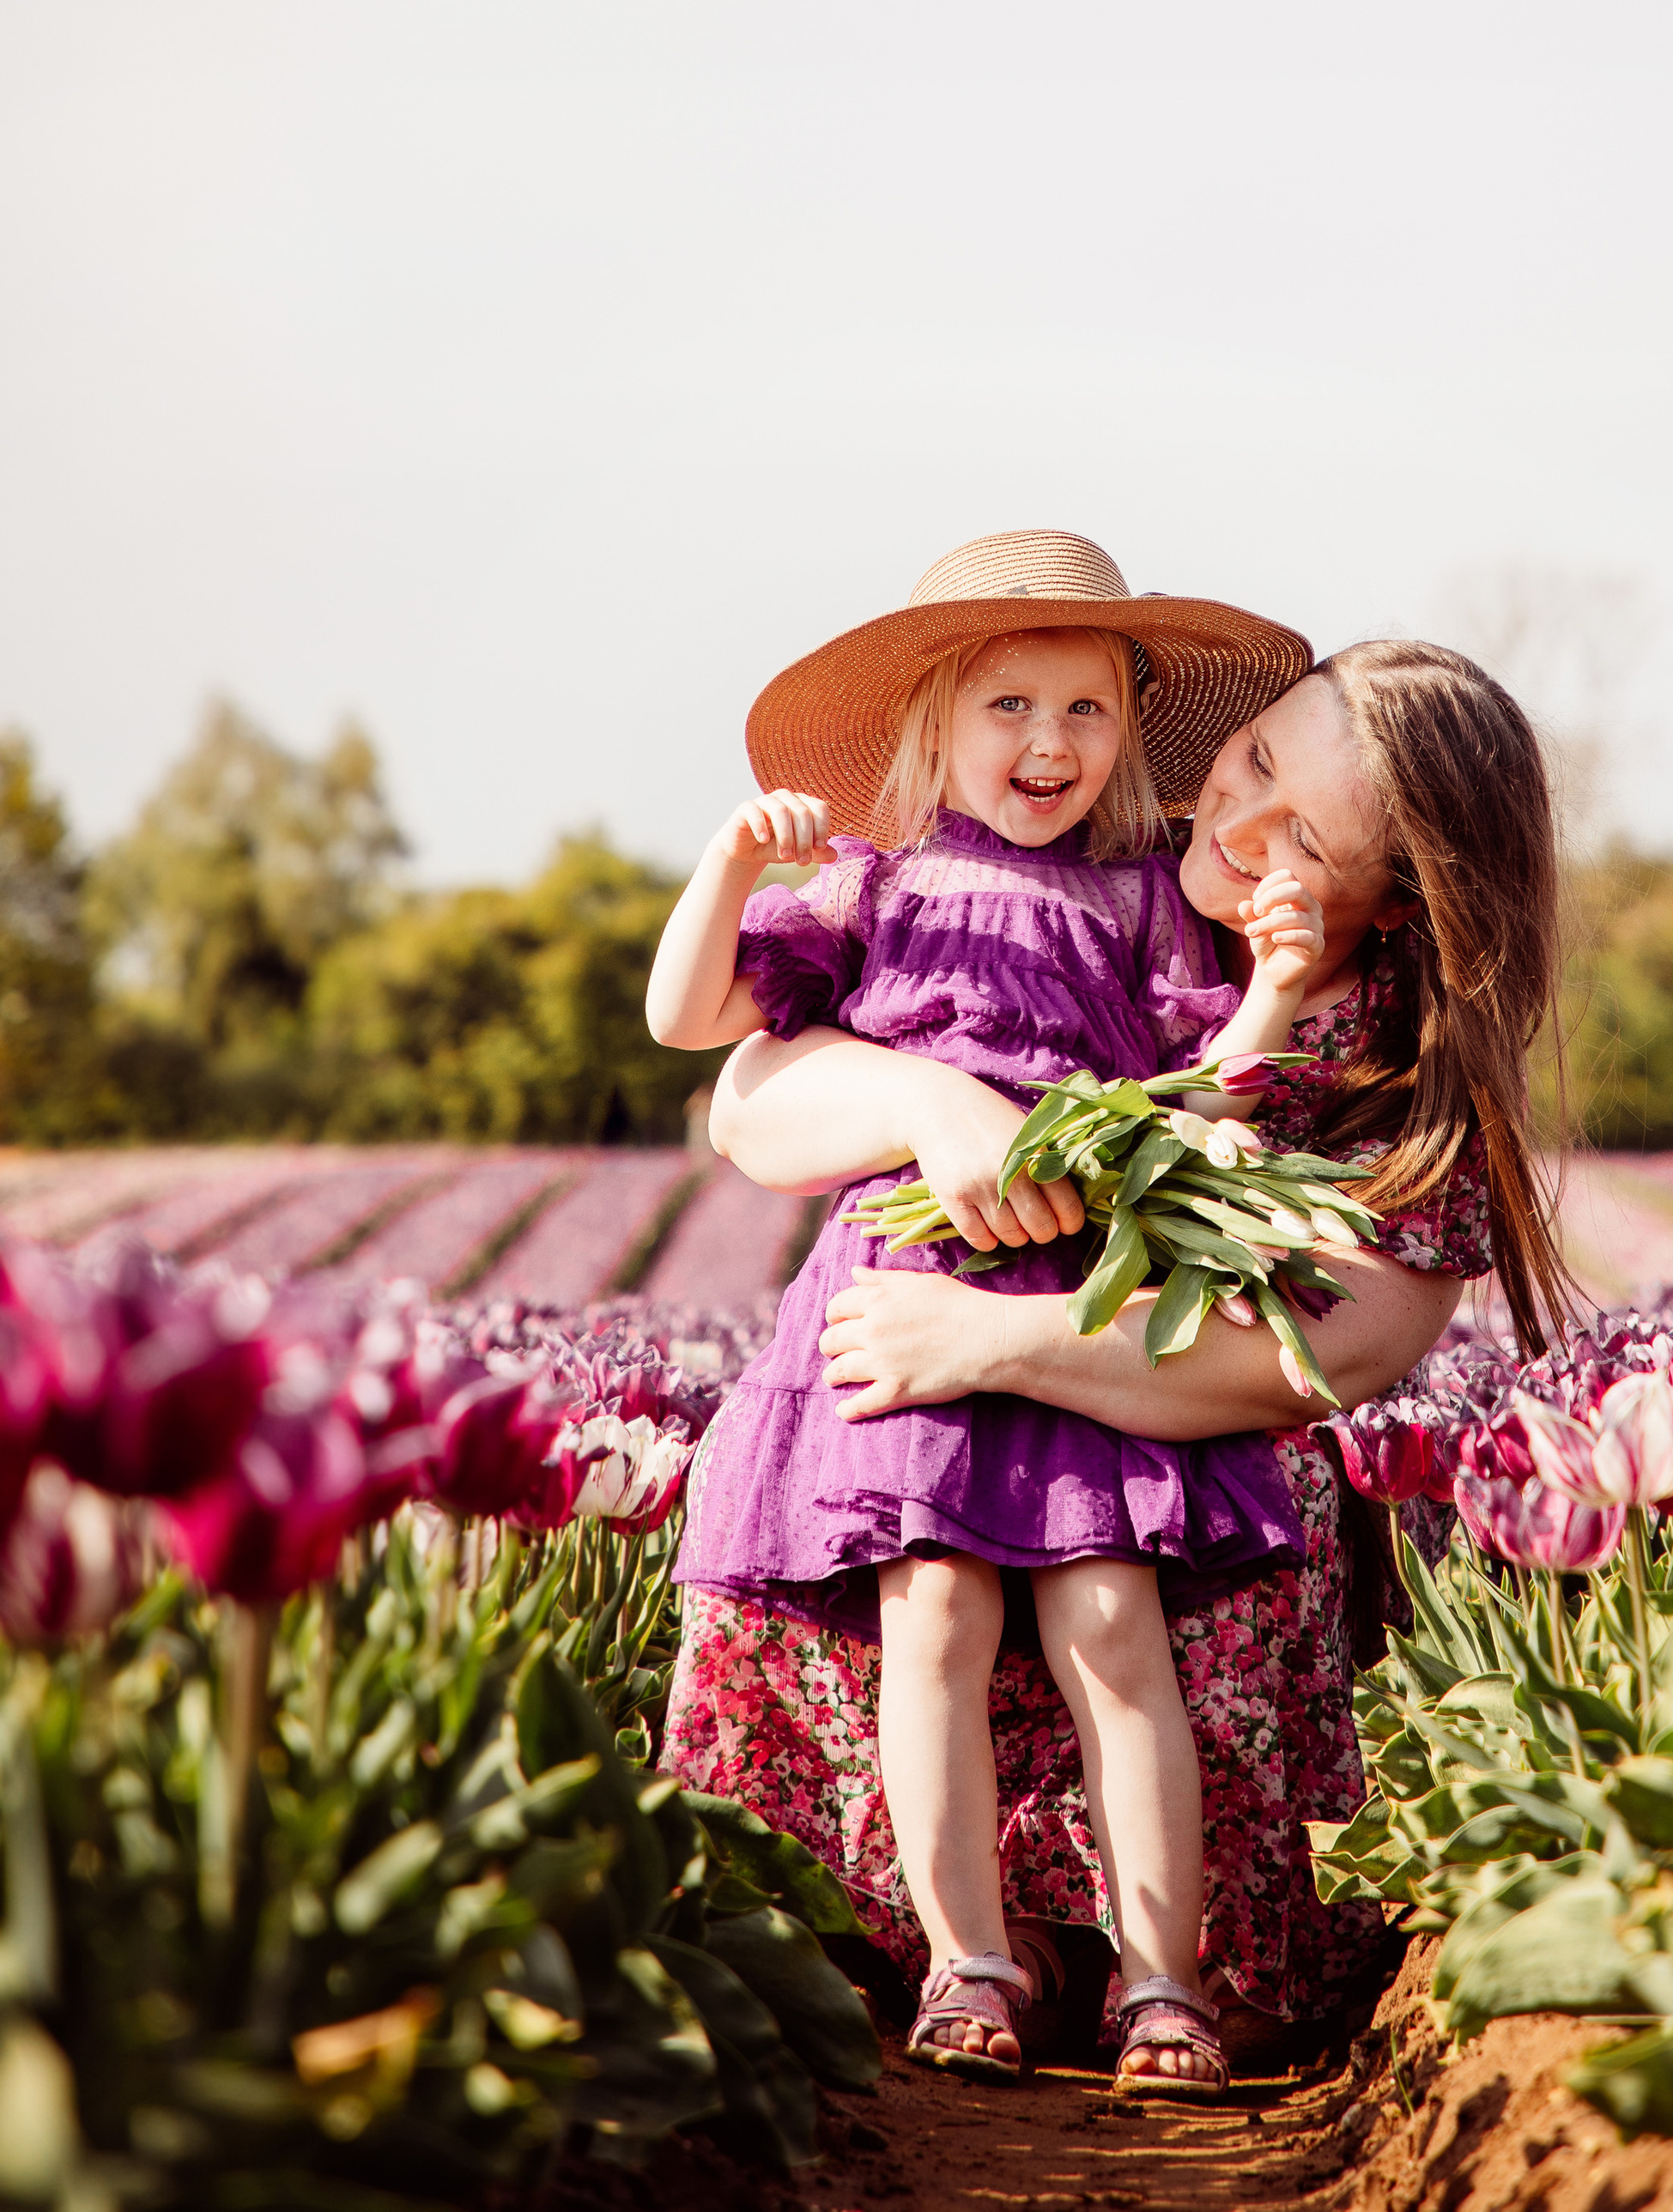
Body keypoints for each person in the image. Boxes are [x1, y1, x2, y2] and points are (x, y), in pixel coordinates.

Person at [665, 623, 1571, 2087]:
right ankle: (933, 1946)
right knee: (912, 1575)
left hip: (1155, 1484)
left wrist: (998, 1339)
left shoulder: (1407, 1086)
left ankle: (1162, 1968)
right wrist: (928, 1100)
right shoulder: (1077, 865)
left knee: (1118, 1613)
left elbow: (1310, 1365)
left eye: (1303, 832)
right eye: (1255, 759)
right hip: (932, 1397)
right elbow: (749, 1102)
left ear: (1401, 899)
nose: (1240, 817)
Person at [647, 530, 1318, 2097]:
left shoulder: (1152, 900)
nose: (1049, 744)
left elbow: (1197, 1108)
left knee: (1112, 1620)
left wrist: (1273, 995)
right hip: (903, 1288)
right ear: (937, 725)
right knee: (931, 1614)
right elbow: (689, 1019)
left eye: (1087, 712)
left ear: (1129, 737)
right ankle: (970, 1961)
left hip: (1085, 1299)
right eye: (1011, 705)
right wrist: (731, 863)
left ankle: (1165, 1979)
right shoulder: (872, 883)